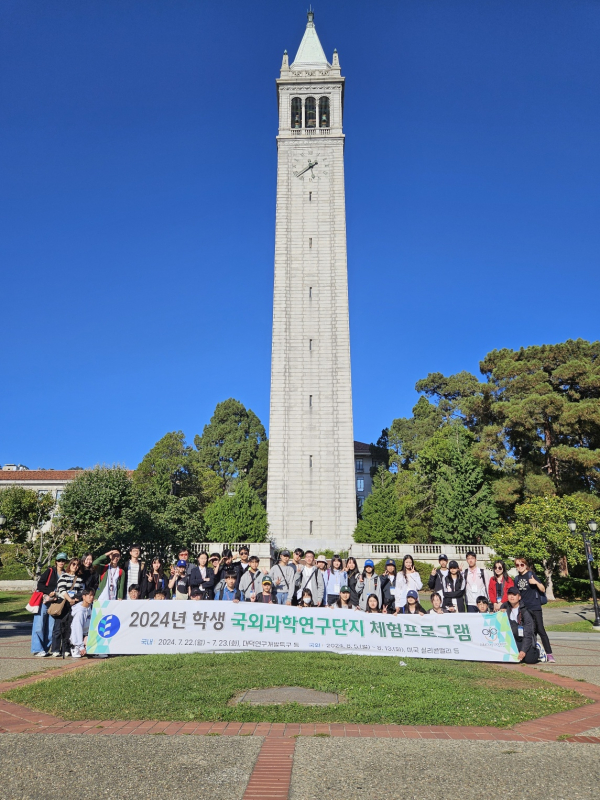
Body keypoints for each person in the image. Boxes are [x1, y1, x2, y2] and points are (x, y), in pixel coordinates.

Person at [513, 557, 555, 663]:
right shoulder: (517, 579)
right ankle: (532, 651)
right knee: (528, 631)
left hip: (535, 606)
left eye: (521, 564)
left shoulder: (531, 575)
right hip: (523, 608)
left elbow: (543, 589)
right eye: (517, 565)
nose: (520, 567)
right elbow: (516, 594)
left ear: (526, 565)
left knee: (540, 629)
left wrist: (535, 582)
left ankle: (549, 654)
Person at [31, 553, 66, 657]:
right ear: (56, 561)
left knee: (51, 628)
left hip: (55, 603)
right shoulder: (50, 571)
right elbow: (40, 584)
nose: (61, 562)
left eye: (63, 561)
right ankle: (37, 649)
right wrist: (49, 591)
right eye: (59, 560)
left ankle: (45, 649)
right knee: (39, 625)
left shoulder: (64, 573)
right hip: (44, 601)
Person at [52, 558, 85, 657]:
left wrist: (75, 599)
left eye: (77, 565)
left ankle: (66, 648)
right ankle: (55, 649)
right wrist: (69, 599)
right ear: (70, 565)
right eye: (73, 564)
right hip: (62, 603)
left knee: (69, 627)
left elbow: (81, 591)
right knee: (58, 627)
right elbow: (61, 590)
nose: (75, 566)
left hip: (73, 605)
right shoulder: (63, 576)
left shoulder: (79, 578)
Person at [502, 587, 539, 664]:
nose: (512, 596)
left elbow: (528, 632)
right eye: (510, 594)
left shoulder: (525, 611)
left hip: (524, 638)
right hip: (511, 639)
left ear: (519, 597)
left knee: (529, 659)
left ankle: (538, 650)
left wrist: (523, 650)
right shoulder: (504, 608)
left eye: (514, 595)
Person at [70, 587, 95, 658]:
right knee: (77, 655)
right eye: (89, 595)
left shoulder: (93, 607)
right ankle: (75, 647)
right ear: (84, 597)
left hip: (88, 634)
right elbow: (77, 629)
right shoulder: (79, 612)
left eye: (93, 595)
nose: (92, 597)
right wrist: (80, 646)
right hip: (79, 636)